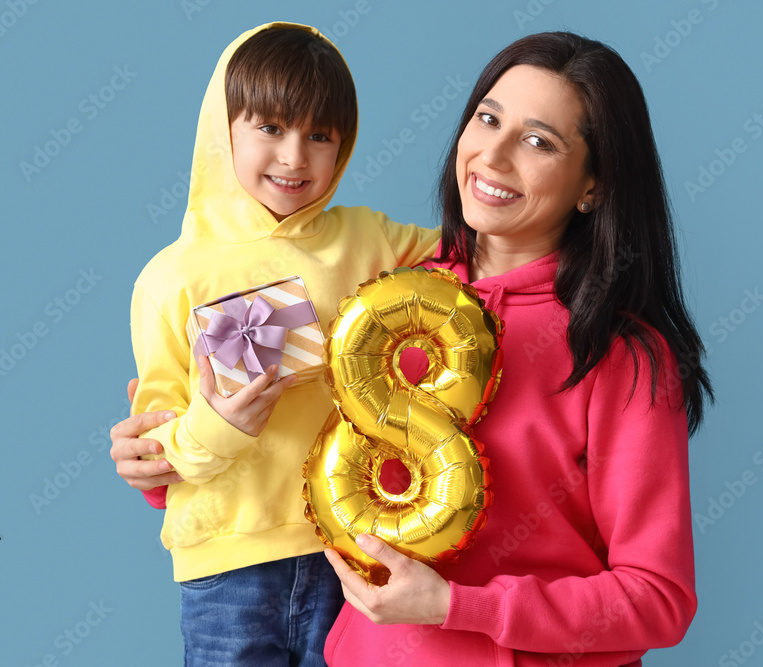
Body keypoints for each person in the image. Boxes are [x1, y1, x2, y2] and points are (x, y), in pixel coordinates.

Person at [116, 30, 712, 666]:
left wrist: (458, 607)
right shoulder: (384, 294)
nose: (495, 155)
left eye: (539, 141)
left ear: (593, 183)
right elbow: (249, 425)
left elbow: (657, 599)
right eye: (488, 119)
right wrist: (163, 459)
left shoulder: (620, 354)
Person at [124, 22, 439, 665]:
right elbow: (154, 446)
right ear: (224, 129)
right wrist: (216, 427)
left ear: (342, 148)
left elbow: (476, 263)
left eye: (319, 136)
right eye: (270, 128)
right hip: (227, 565)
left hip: (353, 546)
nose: (295, 157)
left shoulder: (369, 237)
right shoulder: (170, 279)